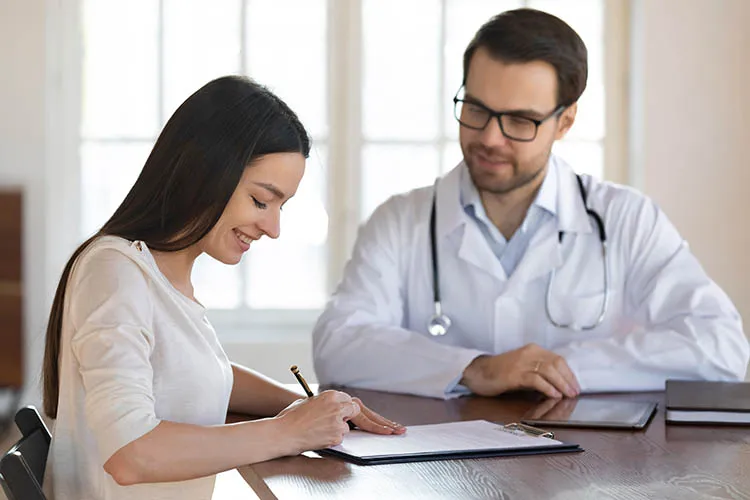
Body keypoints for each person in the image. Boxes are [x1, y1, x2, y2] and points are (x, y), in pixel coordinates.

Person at [312, 8, 749, 400]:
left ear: (565, 122)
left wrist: (558, 369)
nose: (489, 137)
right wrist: (475, 369)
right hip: (438, 471)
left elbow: (721, 346)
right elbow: (338, 344)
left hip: (587, 471)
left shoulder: (625, 219)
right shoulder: (402, 221)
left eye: (520, 120)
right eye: (477, 109)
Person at [42, 76, 404, 500]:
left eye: (281, 206)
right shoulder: (115, 271)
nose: (273, 228)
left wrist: (311, 404)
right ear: (206, 172)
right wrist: (287, 431)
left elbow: (197, 372)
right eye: (261, 200)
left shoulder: (160, 275)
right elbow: (130, 453)